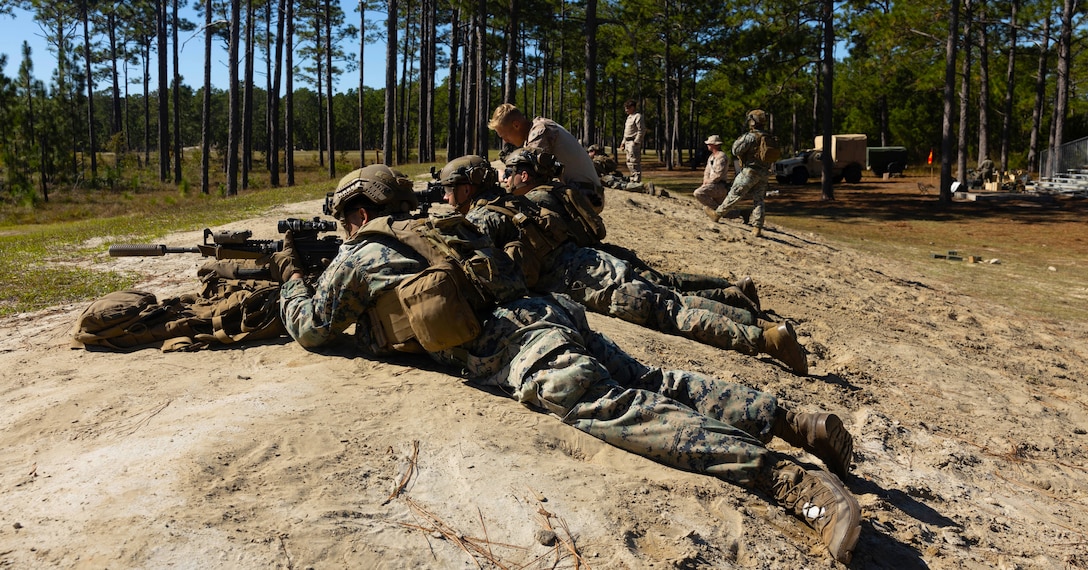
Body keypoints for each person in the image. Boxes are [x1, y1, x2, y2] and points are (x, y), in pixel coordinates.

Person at [271, 164, 861, 564]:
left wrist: (293, 278)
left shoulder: (364, 250)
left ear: (356, 211)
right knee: (649, 379)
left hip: (521, 350)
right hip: (549, 315)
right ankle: (792, 420)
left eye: (343, 218)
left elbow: (311, 328)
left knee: (617, 407)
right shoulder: (441, 225)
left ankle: (790, 482)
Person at [441, 152, 808, 376]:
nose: (445, 195)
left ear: (469, 188)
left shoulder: (486, 218)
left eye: (450, 187)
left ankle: (764, 339)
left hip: (588, 282)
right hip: (594, 263)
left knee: (675, 315)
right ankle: (763, 326)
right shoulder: (515, 202)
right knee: (671, 301)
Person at [488, 103, 604, 210]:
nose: (505, 141)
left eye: (504, 135)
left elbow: (531, 179)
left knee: (526, 206)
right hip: (580, 192)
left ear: (516, 125)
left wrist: (507, 178)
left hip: (587, 195)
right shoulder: (533, 132)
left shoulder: (540, 131)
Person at [713, 110, 775, 237]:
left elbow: (735, 150)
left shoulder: (751, 137)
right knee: (759, 200)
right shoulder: (768, 137)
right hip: (763, 173)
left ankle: (717, 214)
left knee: (734, 194)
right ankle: (757, 228)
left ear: (752, 121)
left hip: (749, 172)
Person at [587, 144, 665, 196]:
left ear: (594, 152)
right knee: (624, 181)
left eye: (589, 152)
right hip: (611, 175)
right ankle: (654, 190)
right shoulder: (604, 157)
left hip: (606, 178)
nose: (588, 154)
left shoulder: (596, 160)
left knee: (622, 185)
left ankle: (645, 188)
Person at [693, 135, 733, 220]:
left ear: (715, 145)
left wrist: (709, 182)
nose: (708, 145)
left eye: (709, 144)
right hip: (713, 185)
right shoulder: (711, 157)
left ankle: (716, 212)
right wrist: (705, 180)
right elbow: (707, 171)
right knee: (726, 213)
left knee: (698, 193)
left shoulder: (721, 157)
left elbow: (719, 174)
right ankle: (742, 213)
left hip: (719, 186)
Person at [623, 99, 645, 183]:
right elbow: (626, 131)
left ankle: (637, 180)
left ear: (632, 107)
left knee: (634, 161)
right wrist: (623, 142)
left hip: (633, 142)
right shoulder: (629, 118)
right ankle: (632, 178)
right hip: (627, 142)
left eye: (628, 108)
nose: (626, 110)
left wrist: (636, 141)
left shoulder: (638, 116)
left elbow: (641, 130)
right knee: (629, 161)